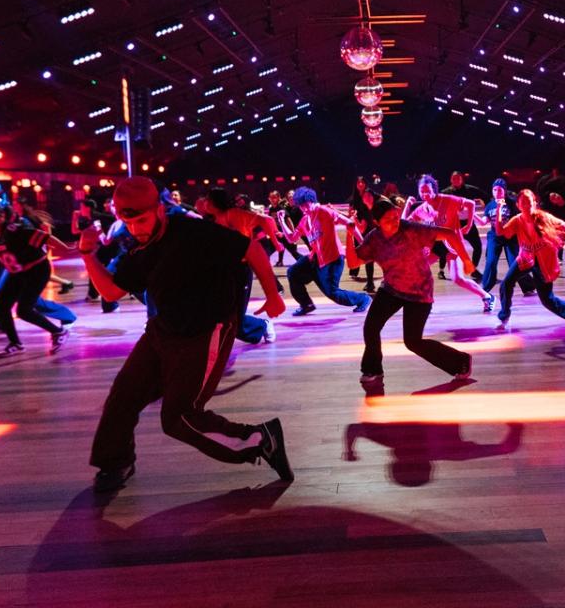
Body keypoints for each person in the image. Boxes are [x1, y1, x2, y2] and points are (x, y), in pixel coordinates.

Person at [79, 177, 291, 492]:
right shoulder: (140, 248)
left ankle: (261, 439)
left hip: (205, 331)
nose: (136, 229)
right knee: (123, 395)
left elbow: (251, 248)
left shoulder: (192, 232)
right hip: (162, 330)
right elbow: (110, 292)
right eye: (129, 223)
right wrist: (87, 254)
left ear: (159, 210)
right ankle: (116, 462)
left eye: (141, 220)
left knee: (178, 417)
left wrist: (273, 295)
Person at [345, 198, 476, 385]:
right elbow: (353, 262)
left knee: (413, 342)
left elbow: (449, 234)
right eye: (389, 219)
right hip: (392, 289)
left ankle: (460, 361)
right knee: (371, 327)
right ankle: (373, 369)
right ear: (377, 222)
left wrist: (466, 260)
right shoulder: (375, 239)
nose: (395, 222)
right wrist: (350, 234)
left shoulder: (411, 230)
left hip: (419, 292)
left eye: (396, 217)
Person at [0, 204, 72, 357]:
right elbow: (8, 258)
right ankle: (16, 344)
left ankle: (58, 332)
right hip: (18, 273)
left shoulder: (12, 229)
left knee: (23, 310)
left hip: (37, 270)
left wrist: (67, 249)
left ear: (1, 217)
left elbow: (43, 236)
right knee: (2, 305)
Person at [493, 189, 565, 326]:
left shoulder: (543, 217)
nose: (527, 206)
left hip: (543, 262)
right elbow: (500, 231)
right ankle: (504, 316)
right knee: (506, 284)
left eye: (529, 202)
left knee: (547, 300)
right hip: (525, 258)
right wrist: (498, 209)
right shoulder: (517, 220)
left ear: (535, 203)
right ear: (518, 205)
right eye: (523, 203)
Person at [199, 188, 281, 345]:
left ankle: (263, 325)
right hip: (222, 271)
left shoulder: (236, 215)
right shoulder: (209, 221)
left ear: (216, 202)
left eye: (208, 200)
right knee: (220, 314)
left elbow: (267, 221)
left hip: (240, 270)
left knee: (236, 322)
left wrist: (276, 243)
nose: (204, 203)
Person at [403, 175, 494, 311]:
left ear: (434, 190)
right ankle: (425, 302)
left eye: (428, 191)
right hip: (436, 246)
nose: (425, 194)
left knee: (458, 279)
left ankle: (487, 296)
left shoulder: (446, 200)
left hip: (452, 245)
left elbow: (470, 203)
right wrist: (407, 205)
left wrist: (469, 225)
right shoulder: (422, 209)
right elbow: (403, 225)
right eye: (422, 191)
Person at [276, 187, 371, 316]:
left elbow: (349, 223)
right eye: (301, 206)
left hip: (333, 258)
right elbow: (292, 238)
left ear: (311, 200)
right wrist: (281, 221)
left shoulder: (323, 211)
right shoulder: (305, 219)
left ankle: (363, 299)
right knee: (293, 272)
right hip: (316, 259)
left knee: (333, 293)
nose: (303, 208)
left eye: (305, 204)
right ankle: (306, 304)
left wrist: (363, 243)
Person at [475, 178, 534, 296]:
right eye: (494, 190)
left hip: (510, 236)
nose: (497, 192)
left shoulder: (512, 203)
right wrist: (472, 213)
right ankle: (485, 288)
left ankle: (528, 287)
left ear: (504, 191)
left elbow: (521, 218)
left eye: (500, 190)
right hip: (495, 237)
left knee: (515, 262)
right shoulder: (490, 205)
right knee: (491, 261)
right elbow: (483, 222)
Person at [441, 171, 486, 275]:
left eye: (458, 178)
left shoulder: (470, 189)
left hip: (468, 222)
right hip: (453, 224)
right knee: (446, 248)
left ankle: (473, 269)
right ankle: (441, 270)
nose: (456, 180)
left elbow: (485, 195)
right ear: (451, 180)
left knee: (478, 246)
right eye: (454, 178)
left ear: (462, 179)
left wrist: (484, 201)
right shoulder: (445, 192)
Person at [348, 177, 379, 293]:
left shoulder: (367, 196)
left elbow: (362, 226)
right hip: (361, 228)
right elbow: (350, 216)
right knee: (363, 254)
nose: (360, 184)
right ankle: (367, 280)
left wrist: (355, 218)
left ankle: (370, 283)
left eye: (362, 182)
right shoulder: (355, 199)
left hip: (367, 228)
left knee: (368, 257)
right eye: (358, 182)